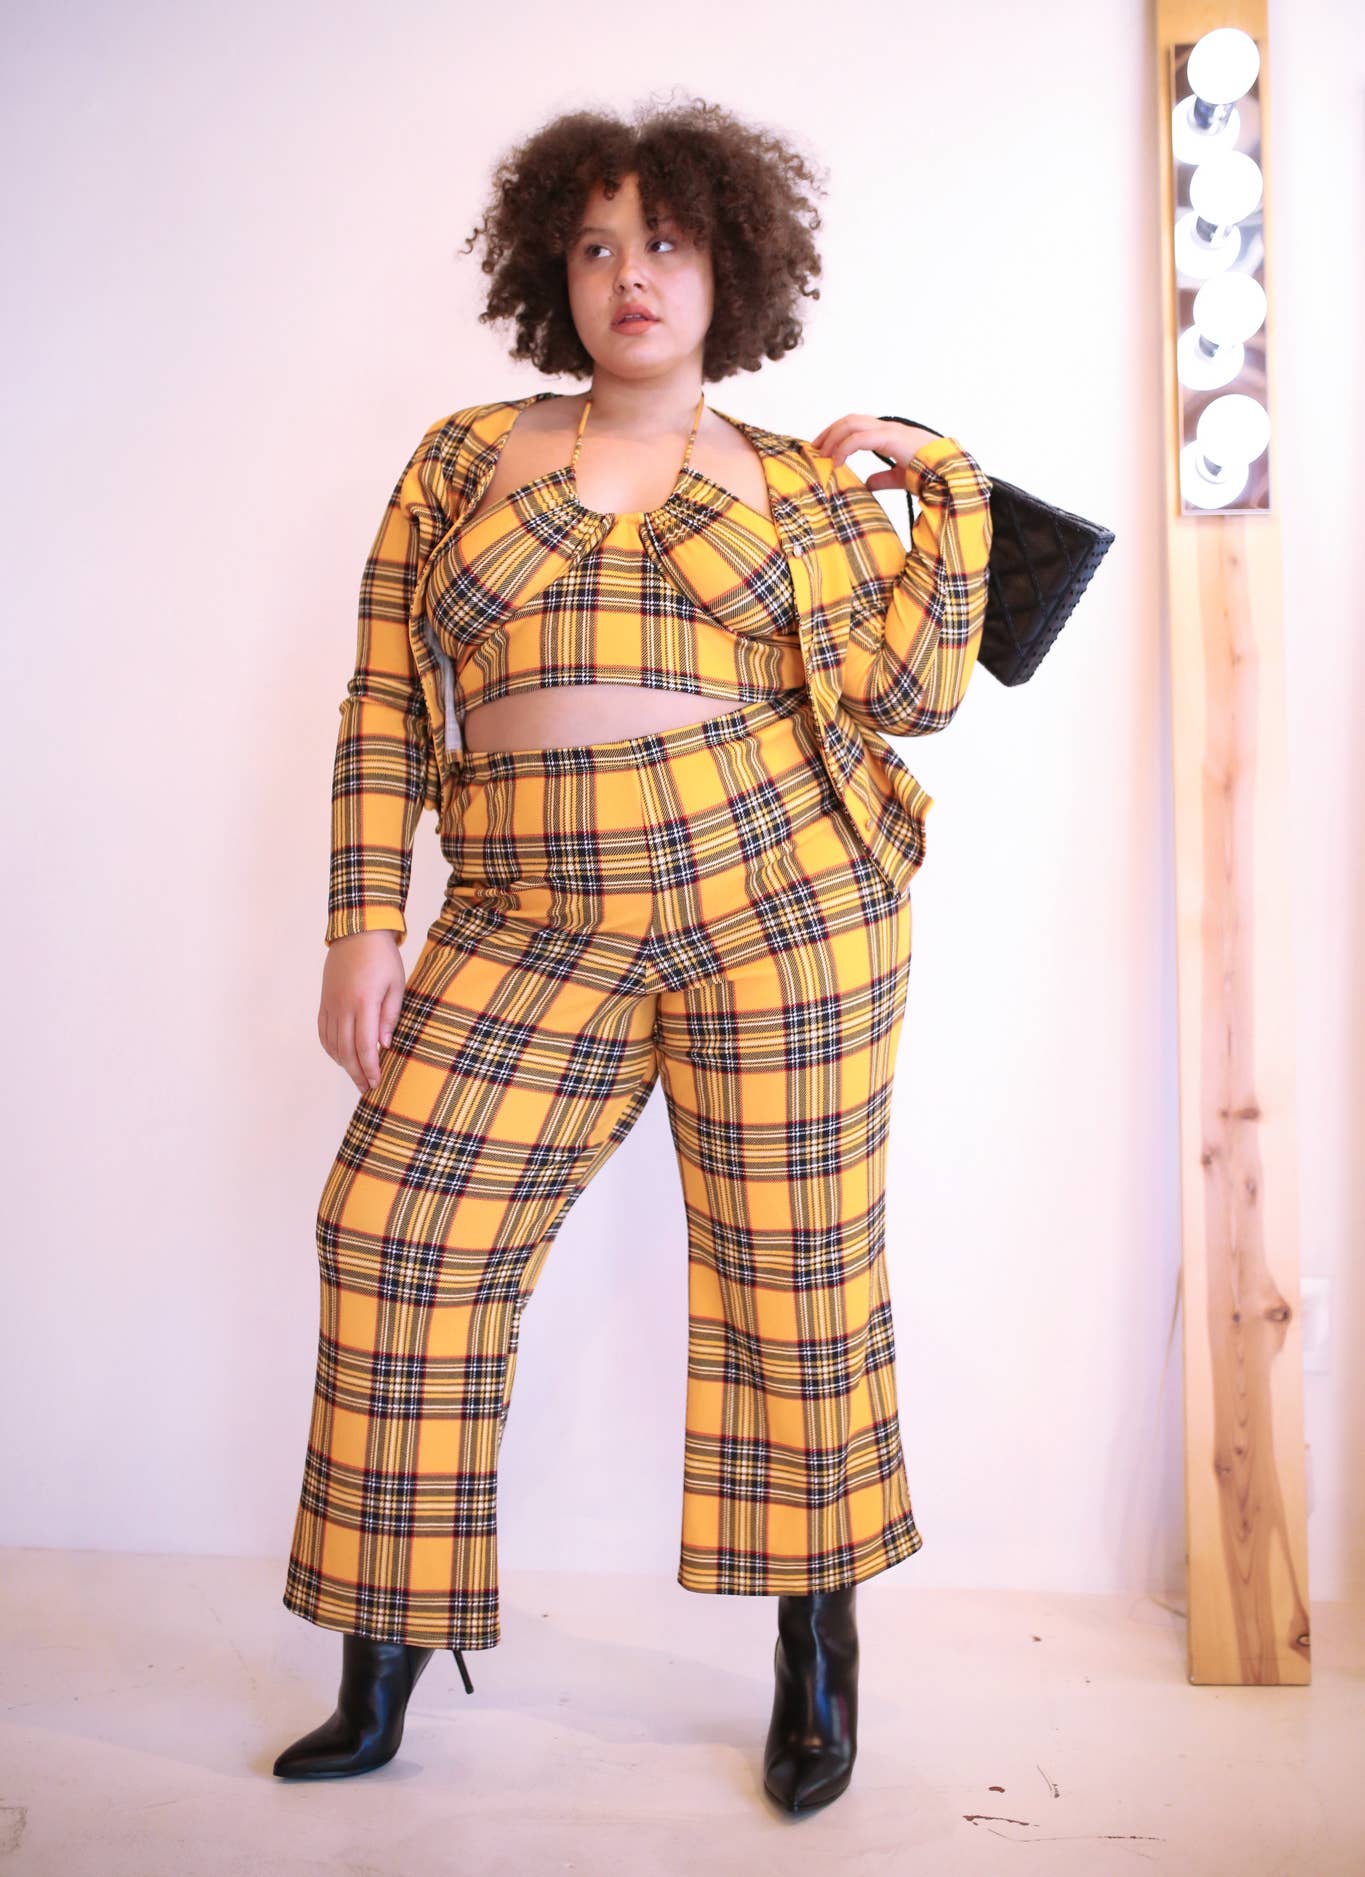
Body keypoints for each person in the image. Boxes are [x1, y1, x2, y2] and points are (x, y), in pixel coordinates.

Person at [272, 97, 992, 1814]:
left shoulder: (799, 485)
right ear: (554, 275)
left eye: (663, 242)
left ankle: (816, 1652)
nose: (630, 275)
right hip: (528, 912)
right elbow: (386, 696)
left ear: (729, 269)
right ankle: (384, 1648)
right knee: (397, 1229)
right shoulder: (463, 457)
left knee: (795, 1276)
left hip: (784, 900)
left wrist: (942, 486)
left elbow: (913, 693)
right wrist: (363, 915)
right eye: (595, 246)